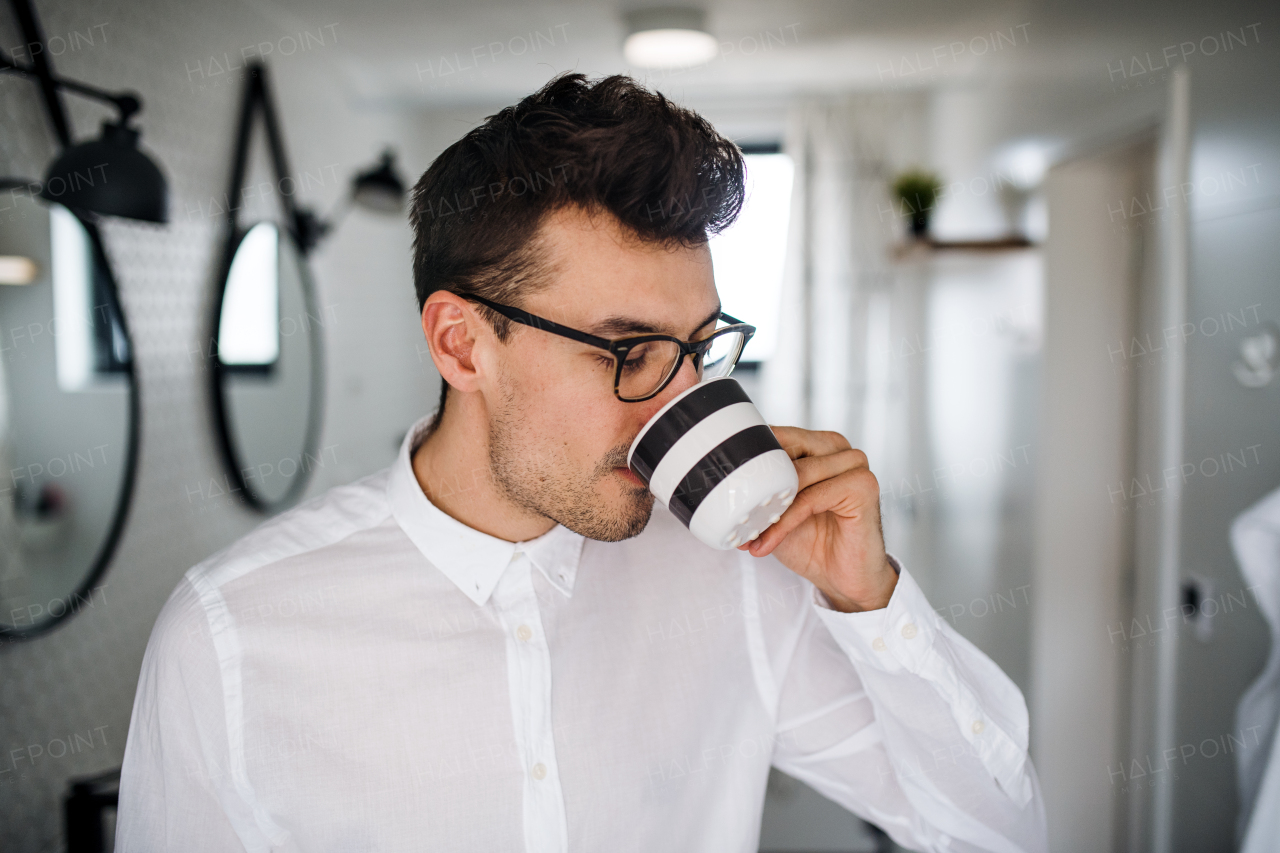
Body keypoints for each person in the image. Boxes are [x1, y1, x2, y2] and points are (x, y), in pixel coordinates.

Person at [116, 72, 1048, 852]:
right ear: (462, 344)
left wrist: (869, 598)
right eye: (626, 349)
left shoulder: (739, 579)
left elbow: (996, 831)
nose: (679, 401)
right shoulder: (232, 635)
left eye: (698, 345)